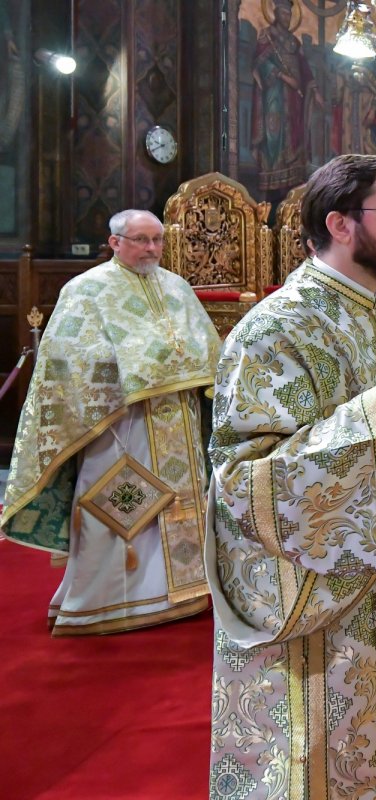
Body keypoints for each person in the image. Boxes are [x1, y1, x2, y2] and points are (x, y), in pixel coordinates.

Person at [206, 154, 376, 799]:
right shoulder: (276, 327)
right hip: (321, 603)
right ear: (340, 223)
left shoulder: (372, 306)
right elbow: (243, 483)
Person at [1, 210, 220, 635]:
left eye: (157, 240)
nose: (151, 249)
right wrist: (143, 369)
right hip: (120, 423)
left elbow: (206, 346)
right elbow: (68, 362)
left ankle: (184, 592)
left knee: (182, 505)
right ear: (115, 241)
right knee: (118, 505)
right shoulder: (85, 291)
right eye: (140, 240)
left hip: (177, 417)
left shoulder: (176, 287)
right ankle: (103, 603)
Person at [251, 0, 321, 196]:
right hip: (274, 94)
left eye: (289, 15)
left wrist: (315, 91)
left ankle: (292, 187)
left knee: (295, 134)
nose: (287, 18)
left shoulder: (294, 42)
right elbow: (259, 63)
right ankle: (273, 186)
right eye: (284, 14)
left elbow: (305, 69)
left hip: (294, 98)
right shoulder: (268, 36)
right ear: (276, 14)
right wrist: (282, 76)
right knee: (274, 133)